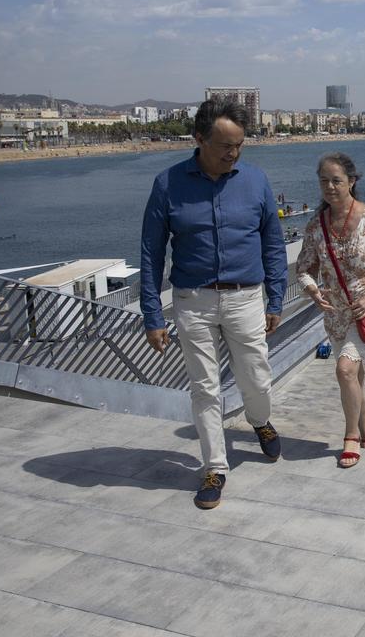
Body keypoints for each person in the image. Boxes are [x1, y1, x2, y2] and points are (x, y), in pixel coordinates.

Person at [140, 98, 287, 510]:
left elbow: (273, 244)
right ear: (199, 139)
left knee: (257, 377)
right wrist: (152, 315)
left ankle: (260, 422)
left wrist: (276, 297)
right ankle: (215, 466)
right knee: (204, 387)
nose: (233, 153)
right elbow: (150, 253)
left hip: (246, 299)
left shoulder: (256, 181)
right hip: (193, 301)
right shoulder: (168, 184)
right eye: (225, 145)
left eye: (239, 144)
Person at [296, 152, 365, 468]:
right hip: (336, 318)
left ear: (352, 181)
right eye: (324, 181)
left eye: (336, 180)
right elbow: (304, 268)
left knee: (345, 370)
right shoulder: (316, 227)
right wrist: (312, 290)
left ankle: (351, 438)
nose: (329, 187)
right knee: (354, 378)